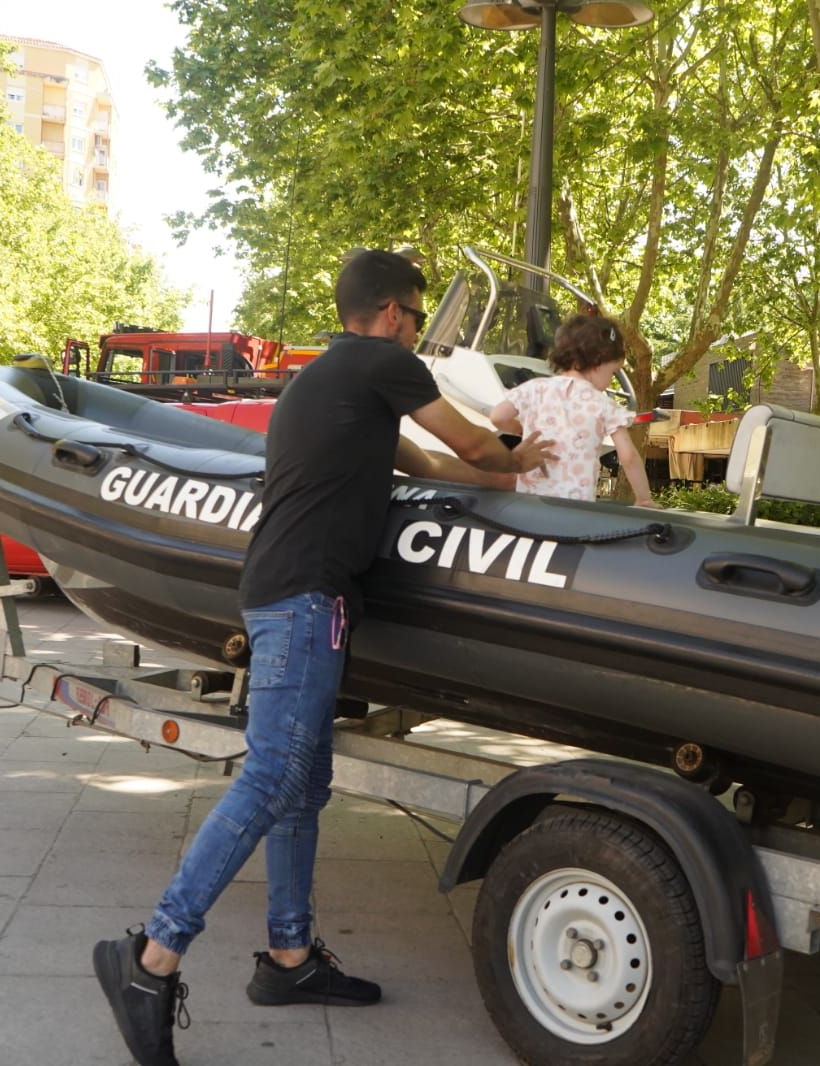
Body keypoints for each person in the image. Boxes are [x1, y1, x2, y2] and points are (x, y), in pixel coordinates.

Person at [92, 250, 555, 1066]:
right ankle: (151, 955)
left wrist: (497, 475)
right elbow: (477, 449)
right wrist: (525, 457)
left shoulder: (331, 385)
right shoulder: (383, 364)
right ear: (388, 314)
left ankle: (290, 959)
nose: (419, 333)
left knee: (304, 785)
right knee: (273, 776)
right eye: (416, 318)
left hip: (288, 592)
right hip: (306, 596)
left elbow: (438, 465)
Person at [489, 313, 659, 507]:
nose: (611, 380)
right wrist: (644, 498)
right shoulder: (604, 405)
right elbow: (628, 457)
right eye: (612, 372)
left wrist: (520, 430)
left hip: (529, 504)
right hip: (575, 509)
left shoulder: (534, 388)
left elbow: (497, 416)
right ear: (597, 362)